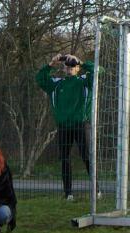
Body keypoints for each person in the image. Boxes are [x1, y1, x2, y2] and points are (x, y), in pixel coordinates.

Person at [36, 54, 96, 201]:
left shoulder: (84, 81)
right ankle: (68, 193)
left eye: (73, 66)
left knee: (86, 157)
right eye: (67, 66)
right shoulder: (57, 84)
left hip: (81, 124)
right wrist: (51, 63)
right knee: (64, 158)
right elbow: (40, 78)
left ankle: (96, 189)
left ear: (77, 68)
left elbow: (98, 70)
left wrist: (81, 61)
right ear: (64, 68)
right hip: (64, 126)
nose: (69, 69)